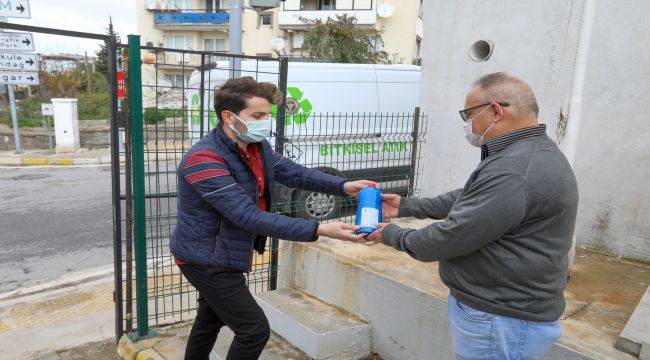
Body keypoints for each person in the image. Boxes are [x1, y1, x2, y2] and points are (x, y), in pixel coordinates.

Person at [367, 72, 579, 360]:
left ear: (495, 110)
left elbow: (451, 236)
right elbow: (471, 197)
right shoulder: (527, 153)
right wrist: (407, 206)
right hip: (504, 312)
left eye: (469, 115)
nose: (467, 125)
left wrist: (391, 234)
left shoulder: (515, 169)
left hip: (500, 317)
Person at [170, 76, 373, 360]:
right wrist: (320, 228)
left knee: (209, 320)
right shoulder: (203, 159)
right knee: (253, 330)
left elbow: (296, 173)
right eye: (258, 115)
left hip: (222, 252)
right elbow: (247, 216)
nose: (266, 121)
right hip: (205, 259)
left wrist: (343, 187)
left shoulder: (256, 148)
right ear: (228, 116)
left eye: (267, 114)